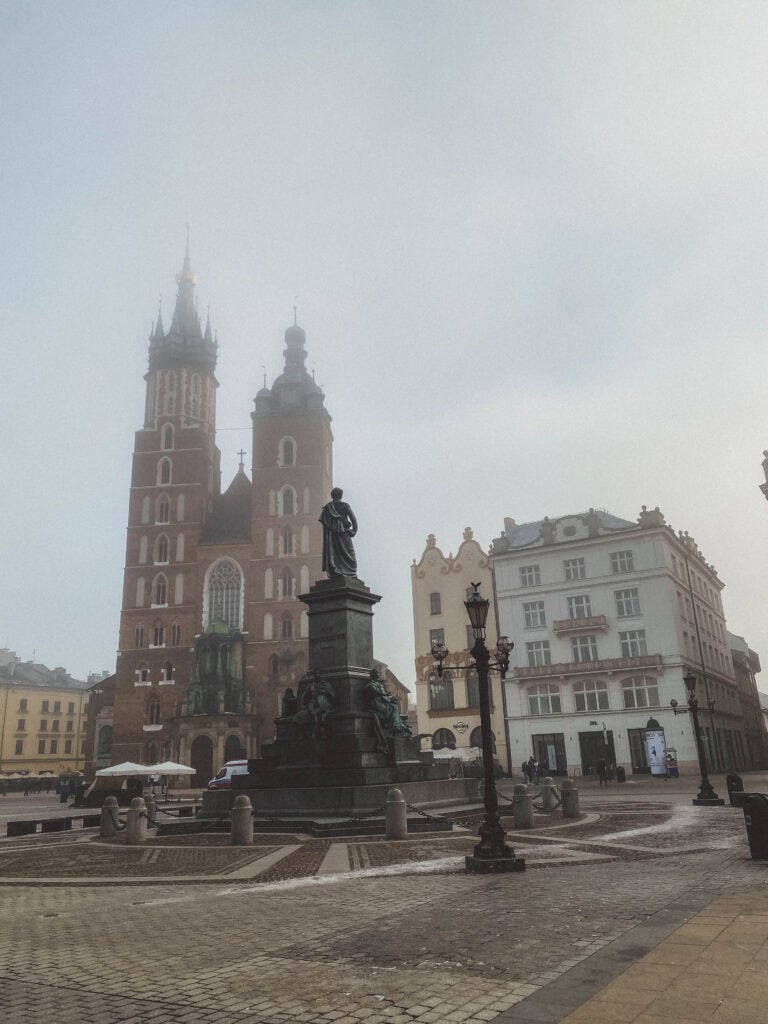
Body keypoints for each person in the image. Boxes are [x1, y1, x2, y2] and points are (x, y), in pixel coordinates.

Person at [364, 669, 412, 752]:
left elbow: (382, 696)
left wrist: (389, 698)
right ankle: (396, 726)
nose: (379, 676)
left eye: (379, 674)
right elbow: (373, 690)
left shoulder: (377, 684)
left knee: (393, 706)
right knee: (393, 707)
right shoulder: (371, 684)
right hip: (376, 704)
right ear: (374, 675)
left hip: (380, 703)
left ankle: (396, 725)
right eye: (377, 674)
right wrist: (385, 695)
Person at [319, 488, 358, 578]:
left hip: (332, 536)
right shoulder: (345, 506)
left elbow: (325, 523)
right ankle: (351, 573)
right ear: (341, 495)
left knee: (335, 555)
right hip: (344, 533)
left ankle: (336, 570)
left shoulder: (328, 507)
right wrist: (354, 531)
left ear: (332, 496)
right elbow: (353, 519)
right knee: (350, 555)